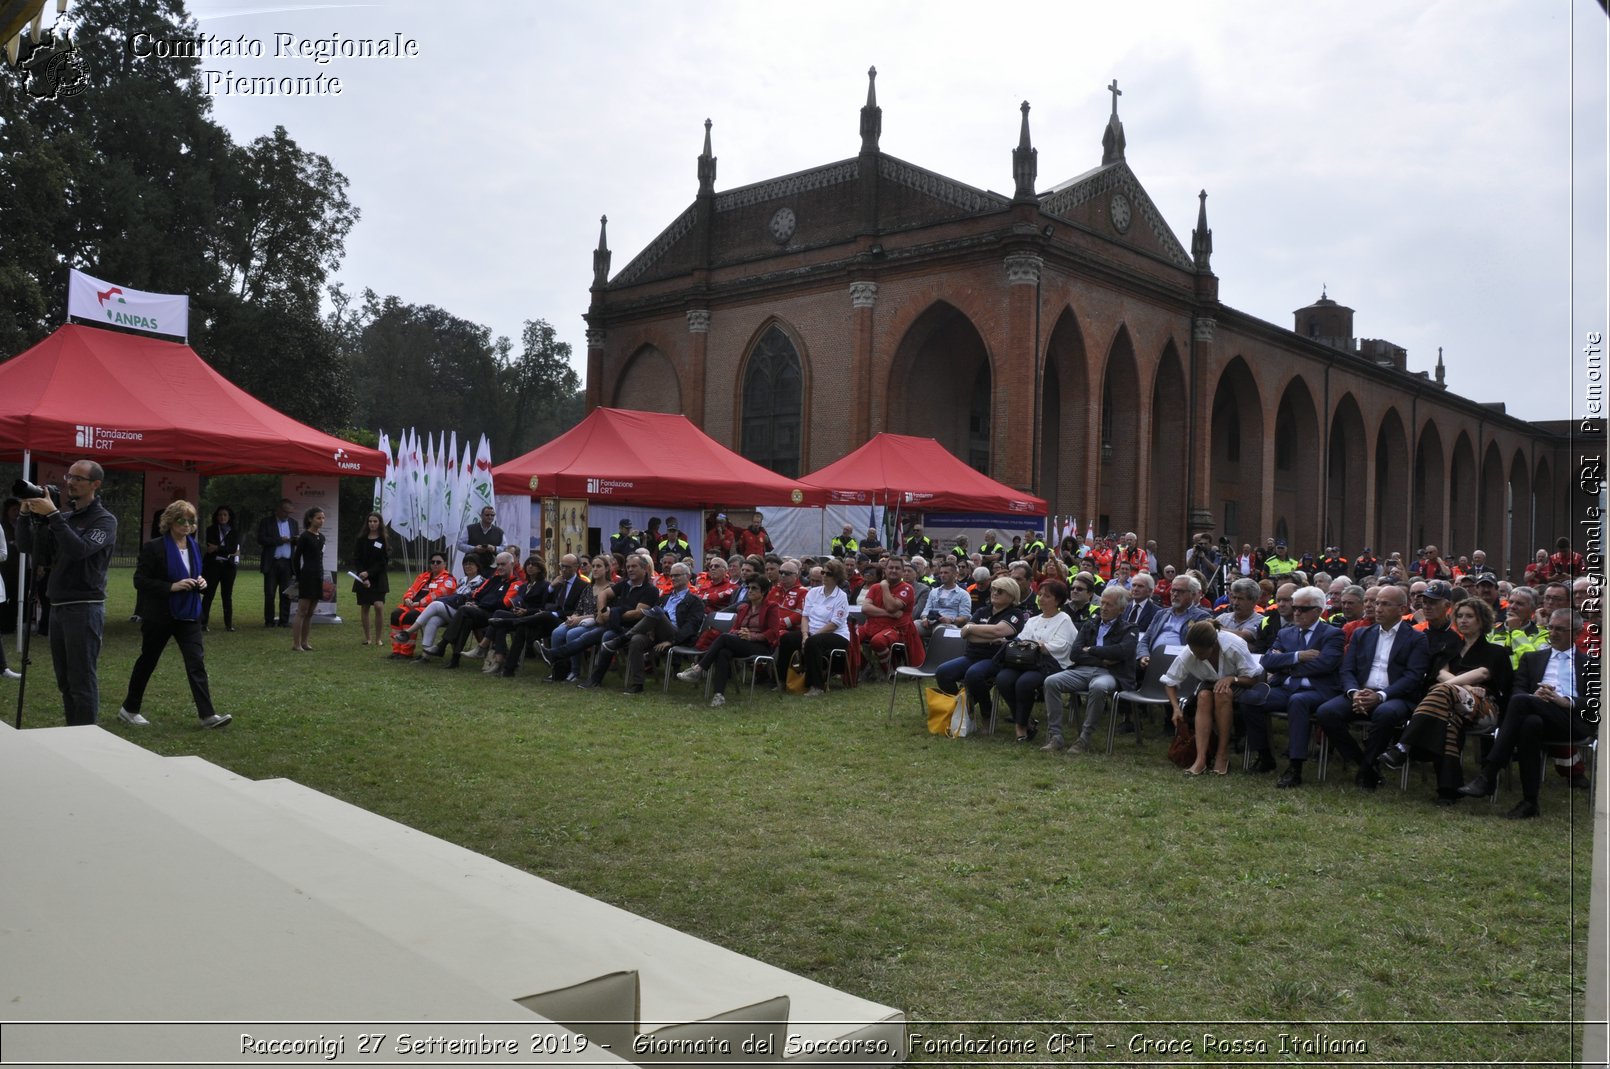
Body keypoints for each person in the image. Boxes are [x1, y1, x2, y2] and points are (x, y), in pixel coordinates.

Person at [1459, 610, 1597, 816]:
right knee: (1530, 723)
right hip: (1537, 714)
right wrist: (1536, 695)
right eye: (1550, 627)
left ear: (1577, 632)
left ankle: (1489, 774)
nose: (1553, 632)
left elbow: (1596, 703)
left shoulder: (1590, 663)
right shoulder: (1532, 658)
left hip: (1572, 722)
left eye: (1560, 629)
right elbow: (1518, 691)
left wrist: (1565, 701)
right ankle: (1530, 802)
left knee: (1523, 703)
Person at [1377, 597, 1512, 802]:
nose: (1463, 620)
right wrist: (1465, 686)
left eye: (1469, 616)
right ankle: (1449, 791)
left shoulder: (1495, 650)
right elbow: (1440, 673)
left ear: (1482, 620)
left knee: (1441, 691)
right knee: (1448, 723)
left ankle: (1404, 746)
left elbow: (1483, 673)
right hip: (1450, 707)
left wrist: (1454, 686)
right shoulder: (1451, 648)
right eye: (1459, 616)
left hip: (1485, 709)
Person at [16, 460, 117, 725]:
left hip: (84, 607)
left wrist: (53, 516)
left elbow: (79, 549)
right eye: (69, 476)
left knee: (81, 680)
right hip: (59, 606)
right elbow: (31, 548)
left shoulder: (105, 521)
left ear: (95, 484)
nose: (70, 482)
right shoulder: (67, 518)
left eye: (78, 478)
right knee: (65, 680)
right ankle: (72, 733)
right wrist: (26, 515)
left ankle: (85, 737)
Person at [116, 501, 230, 729]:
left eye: (191, 521)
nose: (187, 525)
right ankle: (129, 709)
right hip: (161, 614)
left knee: (196, 661)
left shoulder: (195, 547)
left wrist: (202, 582)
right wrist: (171, 587)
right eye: (182, 520)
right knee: (148, 661)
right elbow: (140, 581)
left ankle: (207, 716)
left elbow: (197, 576)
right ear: (170, 521)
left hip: (188, 614)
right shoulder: (154, 547)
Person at [1312, 584, 1431, 790]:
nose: (1378, 608)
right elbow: (1347, 670)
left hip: (1395, 696)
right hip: (1360, 692)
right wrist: (1354, 692)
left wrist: (1382, 696)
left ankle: (1366, 770)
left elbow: (1413, 676)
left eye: (1385, 604)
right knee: (1326, 712)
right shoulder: (1362, 634)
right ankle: (1364, 763)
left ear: (1402, 610)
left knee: (1384, 714)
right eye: (1377, 603)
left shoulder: (1416, 638)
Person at [1241, 586, 1346, 788]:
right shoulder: (1286, 632)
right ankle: (1264, 756)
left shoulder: (1333, 634)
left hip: (1317, 691)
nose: (1296, 612)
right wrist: (1298, 656)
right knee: (1250, 698)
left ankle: (1295, 767)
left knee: (1298, 702)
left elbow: (1326, 664)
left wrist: (1287, 665)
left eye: (1302, 609)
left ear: (1318, 611)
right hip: (1286, 688)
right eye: (1295, 607)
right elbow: (1268, 661)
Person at [1043, 584, 1139, 754]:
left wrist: (1092, 650)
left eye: (1109, 605)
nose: (1104, 608)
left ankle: (1084, 738)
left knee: (1099, 687)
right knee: (1051, 681)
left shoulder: (1129, 629)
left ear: (1121, 609)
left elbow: (1123, 651)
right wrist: (1103, 659)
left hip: (1112, 674)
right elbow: (1075, 653)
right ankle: (1055, 736)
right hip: (1083, 670)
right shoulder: (1090, 624)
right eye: (1102, 603)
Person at [1164, 620, 1264, 776]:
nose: (1196, 656)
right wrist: (1176, 708)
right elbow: (1170, 681)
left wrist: (1232, 679)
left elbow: (1253, 679)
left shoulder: (1234, 645)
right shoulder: (1189, 652)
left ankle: (1222, 755)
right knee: (1203, 696)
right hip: (1209, 684)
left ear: (1213, 646)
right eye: (1193, 652)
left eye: (1201, 654)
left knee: (1222, 694)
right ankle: (1201, 758)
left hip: (1241, 684)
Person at [933, 577, 1029, 726]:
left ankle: (987, 713)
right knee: (942, 672)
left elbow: (999, 630)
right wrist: (986, 636)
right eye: (993, 589)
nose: (995, 593)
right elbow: (965, 634)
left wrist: (972, 628)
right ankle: (962, 707)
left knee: (974, 674)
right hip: (971, 656)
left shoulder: (1015, 614)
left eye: (1000, 591)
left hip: (996, 659)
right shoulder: (982, 610)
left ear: (1011, 596)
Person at [678, 576, 782, 707]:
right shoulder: (744, 608)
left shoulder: (771, 607)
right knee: (723, 652)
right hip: (741, 642)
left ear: (764, 592)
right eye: (749, 588)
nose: (750, 591)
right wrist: (739, 633)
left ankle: (699, 669)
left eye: (754, 588)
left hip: (761, 646)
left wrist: (752, 636)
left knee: (724, 638)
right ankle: (718, 695)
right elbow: (734, 629)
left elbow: (773, 632)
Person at [995, 579, 1076, 742]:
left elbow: (1061, 646)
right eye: (1039, 595)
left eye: (1047, 596)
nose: (1041, 599)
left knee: (1024, 683)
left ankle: (1021, 726)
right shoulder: (1033, 620)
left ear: (1058, 600)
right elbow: (1021, 639)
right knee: (1003, 679)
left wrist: (1040, 645)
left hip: (1050, 663)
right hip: (1025, 661)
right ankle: (1026, 720)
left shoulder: (1064, 619)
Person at [614, 562, 704, 694]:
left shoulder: (695, 601)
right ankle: (638, 684)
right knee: (637, 640)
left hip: (676, 635)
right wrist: (650, 630)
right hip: (656, 634)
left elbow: (691, 627)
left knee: (657, 612)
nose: (673, 578)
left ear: (688, 576)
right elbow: (651, 617)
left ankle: (623, 638)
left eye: (677, 575)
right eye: (672, 576)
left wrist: (672, 641)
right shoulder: (665, 598)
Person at [776, 558, 851, 696]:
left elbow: (834, 624)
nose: (824, 576)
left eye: (828, 574)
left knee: (813, 642)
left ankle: (816, 685)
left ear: (836, 577)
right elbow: (805, 616)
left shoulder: (841, 597)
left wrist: (811, 636)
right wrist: (804, 634)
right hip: (810, 632)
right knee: (787, 638)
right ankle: (781, 679)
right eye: (823, 572)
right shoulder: (813, 592)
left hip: (837, 635)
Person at [389, 552, 458, 657]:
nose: (435, 564)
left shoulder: (448, 579)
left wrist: (420, 603)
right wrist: (407, 598)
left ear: (445, 564)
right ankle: (396, 650)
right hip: (412, 604)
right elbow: (412, 589)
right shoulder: (423, 576)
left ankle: (406, 652)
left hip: (427, 608)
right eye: (432, 562)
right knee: (395, 614)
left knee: (410, 616)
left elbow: (439, 594)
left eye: (438, 562)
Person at [350, 511, 390, 645]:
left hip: (378, 577)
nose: (372, 524)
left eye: (375, 521)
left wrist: (369, 573)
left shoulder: (382, 539)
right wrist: (362, 574)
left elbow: (383, 561)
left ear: (379, 523)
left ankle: (378, 638)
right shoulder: (361, 539)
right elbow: (357, 558)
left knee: (378, 606)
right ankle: (368, 638)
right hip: (362, 577)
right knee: (365, 606)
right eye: (370, 521)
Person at [256, 498, 298, 627]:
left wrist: (296, 540)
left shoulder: (293, 523)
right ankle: (269, 621)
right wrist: (280, 540)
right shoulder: (266, 522)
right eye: (285, 511)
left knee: (286, 594)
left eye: (289, 512)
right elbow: (261, 539)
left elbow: (294, 542)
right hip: (272, 562)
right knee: (269, 593)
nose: (287, 515)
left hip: (287, 563)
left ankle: (284, 621)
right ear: (278, 510)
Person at [290, 506, 326, 653]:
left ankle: (305, 642)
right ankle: (296, 643)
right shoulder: (304, 536)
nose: (321, 520)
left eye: (323, 518)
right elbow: (296, 558)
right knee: (302, 611)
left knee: (311, 612)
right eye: (318, 518)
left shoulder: (322, 537)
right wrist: (299, 576)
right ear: (310, 519)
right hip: (307, 576)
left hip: (318, 576)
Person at [199, 504, 240, 632]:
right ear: (216, 517)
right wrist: (223, 550)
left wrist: (217, 548)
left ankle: (228, 624)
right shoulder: (211, 529)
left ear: (229, 517)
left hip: (228, 567)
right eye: (220, 515)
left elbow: (233, 548)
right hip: (213, 566)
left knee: (227, 596)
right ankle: (203, 623)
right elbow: (210, 547)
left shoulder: (234, 531)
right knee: (208, 595)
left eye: (225, 515)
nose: (222, 517)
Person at [457, 505, 504, 571]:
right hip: (472, 567)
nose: (490, 517)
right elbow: (459, 545)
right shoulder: (470, 529)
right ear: (481, 516)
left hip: (492, 567)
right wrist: (474, 549)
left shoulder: (499, 531)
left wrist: (494, 548)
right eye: (487, 515)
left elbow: (505, 548)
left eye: (492, 515)